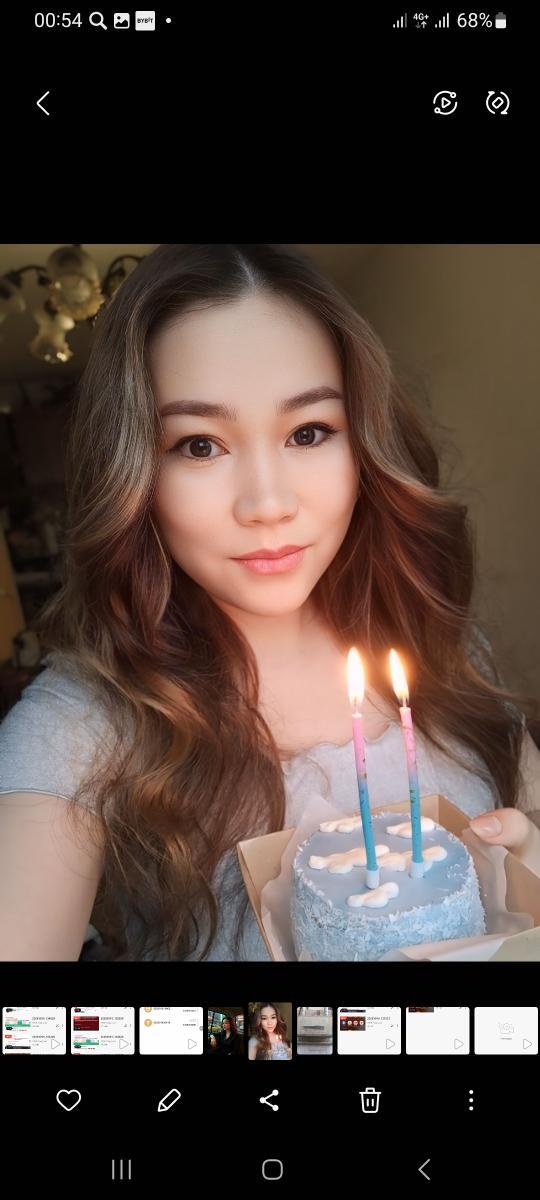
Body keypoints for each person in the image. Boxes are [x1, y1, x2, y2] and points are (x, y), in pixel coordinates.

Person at [1, 243, 539, 963]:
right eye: (199, 445)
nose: (267, 504)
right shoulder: (84, 720)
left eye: (308, 432)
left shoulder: (440, 644)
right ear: (133, 474)